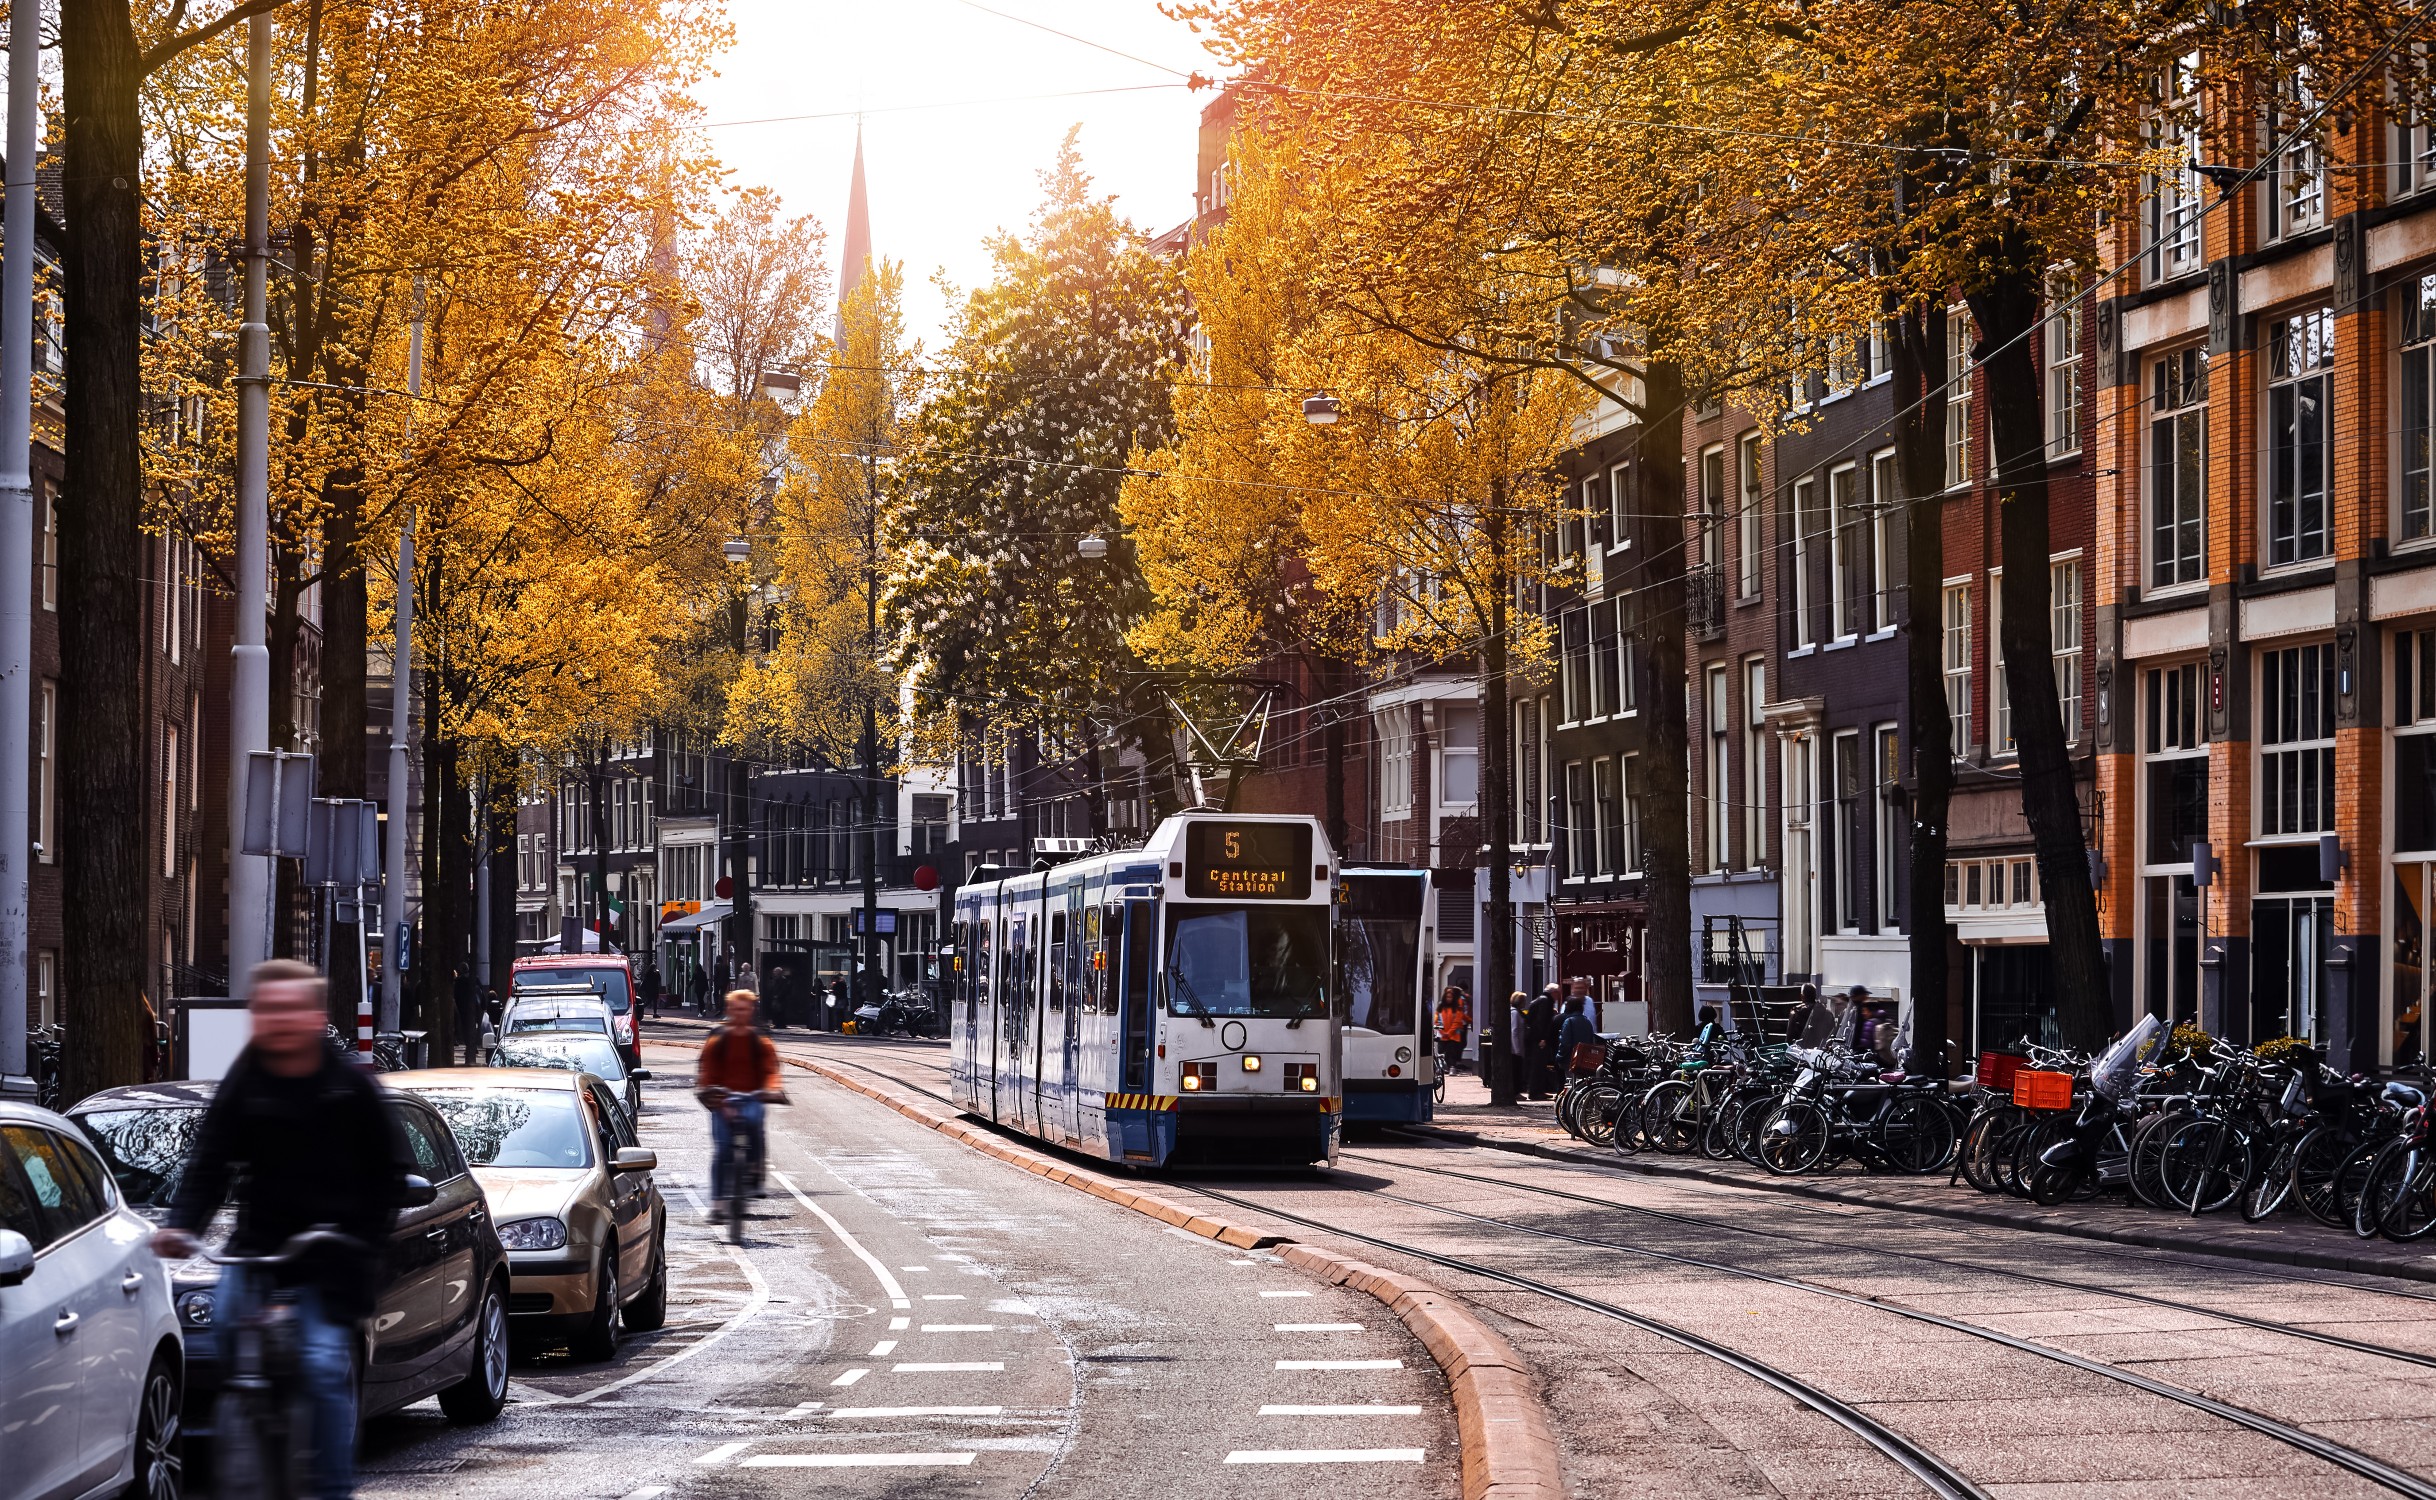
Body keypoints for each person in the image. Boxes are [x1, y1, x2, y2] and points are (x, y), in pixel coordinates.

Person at [154, 959, 414, 1500]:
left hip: (331, 1255)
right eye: (267, 1010)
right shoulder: (247, 1081)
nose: (278, 1021)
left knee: (321, 1366)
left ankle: (329, 1485)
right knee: (224, 1325)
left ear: (315, 1016)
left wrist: (361, 1241)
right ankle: (246, 1425)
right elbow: (211, 1161)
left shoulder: (347, 1088)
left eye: (290, 1009)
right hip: (261, 1249)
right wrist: (182, 1226)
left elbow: (388, 1174)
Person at [696, 988, 783, 1220]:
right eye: (736, 1009)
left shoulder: (760, 1040)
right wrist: (711, 1093)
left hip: (752, 1095)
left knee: (755, 1122)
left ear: (751, 1010)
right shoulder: (718, 1039)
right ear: (729, 1010)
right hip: (722, 1097)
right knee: (722, 1150)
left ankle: (754, 1172)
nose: (740, 1014)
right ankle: (717, 1204)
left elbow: (770, 1070)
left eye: (745, 1009)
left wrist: (772, 1089)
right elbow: (707, 1071)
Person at [1557, 996, 1602, 1079]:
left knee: (1570, 1081)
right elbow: (1591, 1041)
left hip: (1570, 1059)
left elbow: (1565, 1043)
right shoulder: (1587, 1022)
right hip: (1584, 1059)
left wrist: (1559, 1057)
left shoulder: (1569, 1021)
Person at [1434, 985, 1471, 1079]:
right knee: (1441, 1051)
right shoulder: (1440, 1008)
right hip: (1443, 1035)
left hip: (1454, 1036)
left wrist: (1449, 1033)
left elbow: (1457, 1022)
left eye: (1450, 997)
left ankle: (1452, 1067)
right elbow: (1437, 1020)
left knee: (1452, 1052)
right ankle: (1441, 1069)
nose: (1449, 999)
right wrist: (1442, 1032)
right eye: (1447, 997)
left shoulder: (1457, 1008)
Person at [638, 955, 662, 1020]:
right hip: (653, 990)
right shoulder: (654, 974)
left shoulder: (648, 973)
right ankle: (641, 1009)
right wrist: (658, 972)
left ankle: (643, 1009)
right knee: (651, 1002)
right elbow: (658, 979)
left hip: (649, 990)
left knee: (650, 1001)